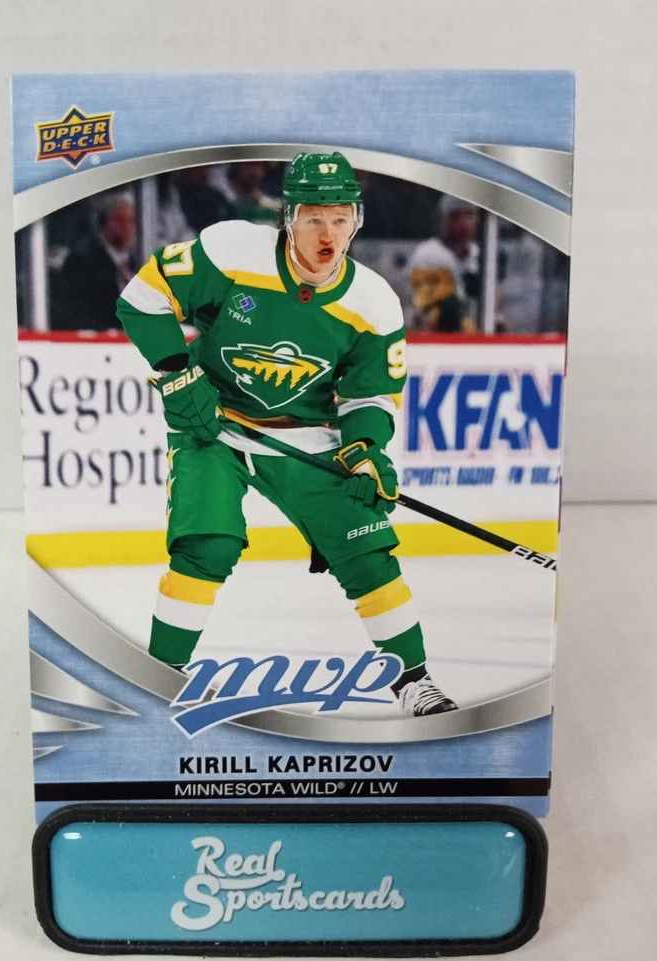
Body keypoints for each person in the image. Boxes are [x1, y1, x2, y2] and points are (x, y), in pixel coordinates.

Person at [116, 152, 457, 717]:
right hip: (215, 424)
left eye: (340, 219)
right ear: (288, 217)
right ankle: (156, 683)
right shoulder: (232, 250)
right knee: (207, 545)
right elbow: (142, 298)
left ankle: (413, 682)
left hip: (308, 439)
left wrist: (365, 451)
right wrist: (177, 373)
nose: (328, 234)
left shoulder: (374, 302)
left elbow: (369, 395)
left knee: (367, 551)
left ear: (357, 221)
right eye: (314, 218)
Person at [51, 189, 138, 331]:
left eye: (131, 221)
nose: (127, 228)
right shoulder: (81, 262)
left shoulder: (136, 264)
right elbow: (76, 316)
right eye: (119, 220)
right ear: (103, 222)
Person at [408, 195, 480, 333]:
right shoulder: (427, 255)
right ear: (443, 219)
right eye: (456, 216)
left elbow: (495, 308)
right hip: (434, 337)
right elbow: (428, 311)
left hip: (477, 338)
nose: (464, 222)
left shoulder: (480, 256)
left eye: (469, 215)